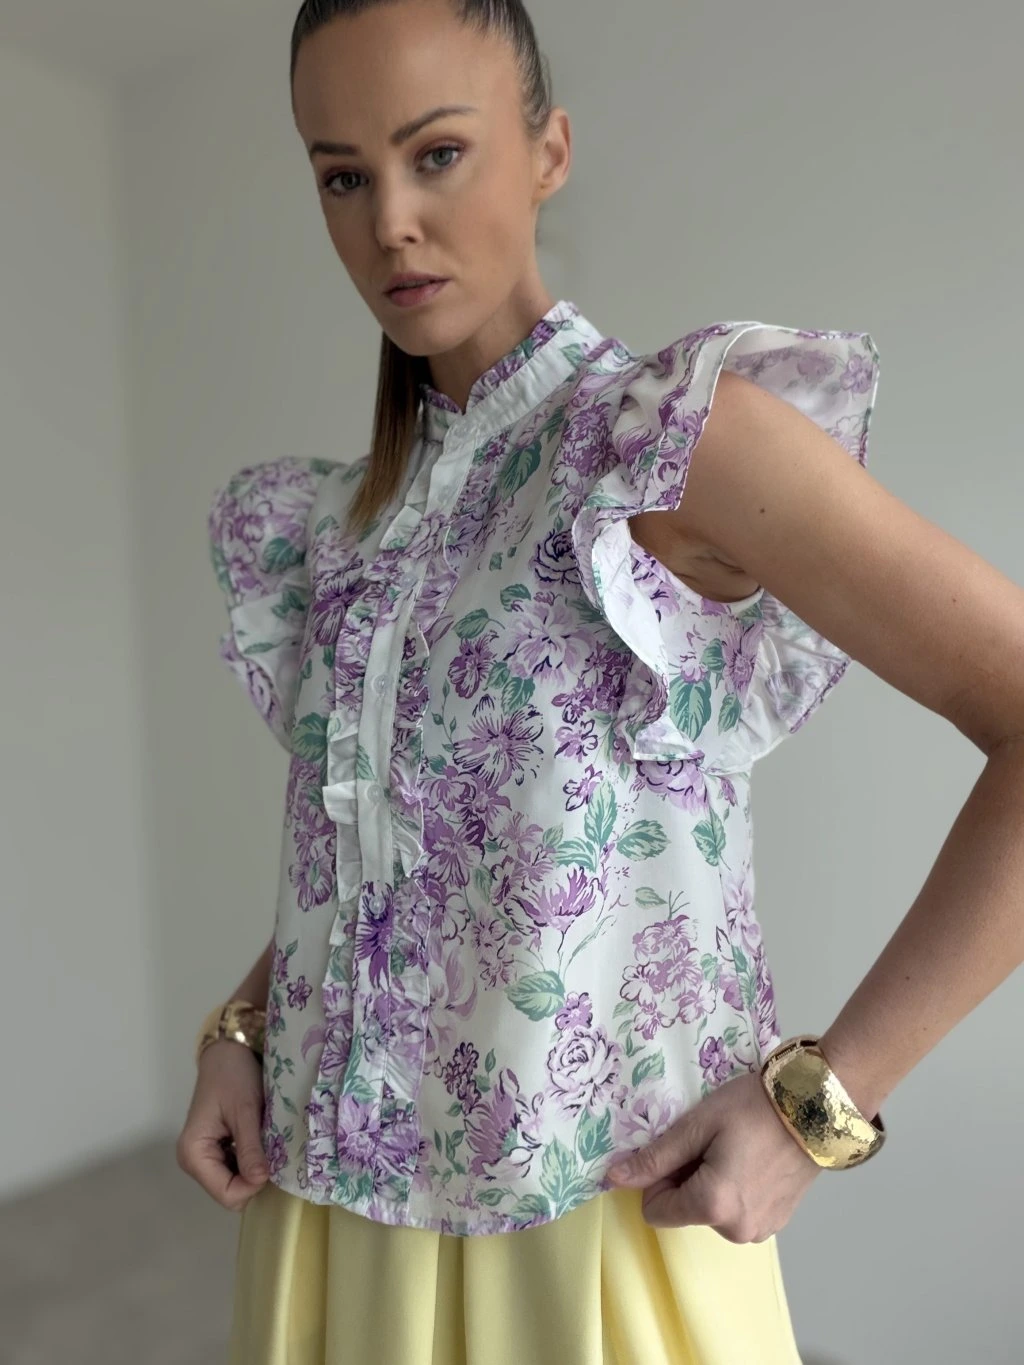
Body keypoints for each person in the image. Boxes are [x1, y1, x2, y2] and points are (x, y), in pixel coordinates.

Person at [176, 1, 1024, 1362]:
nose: (389, 220)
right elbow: (401, 864)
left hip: (588, 1235)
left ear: (548, 151)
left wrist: (821, 1104)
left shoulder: (674, 447)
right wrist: (243, 1021)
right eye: (342, 175)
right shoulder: (344, 526)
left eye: (436, 153)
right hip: (326, 1220)